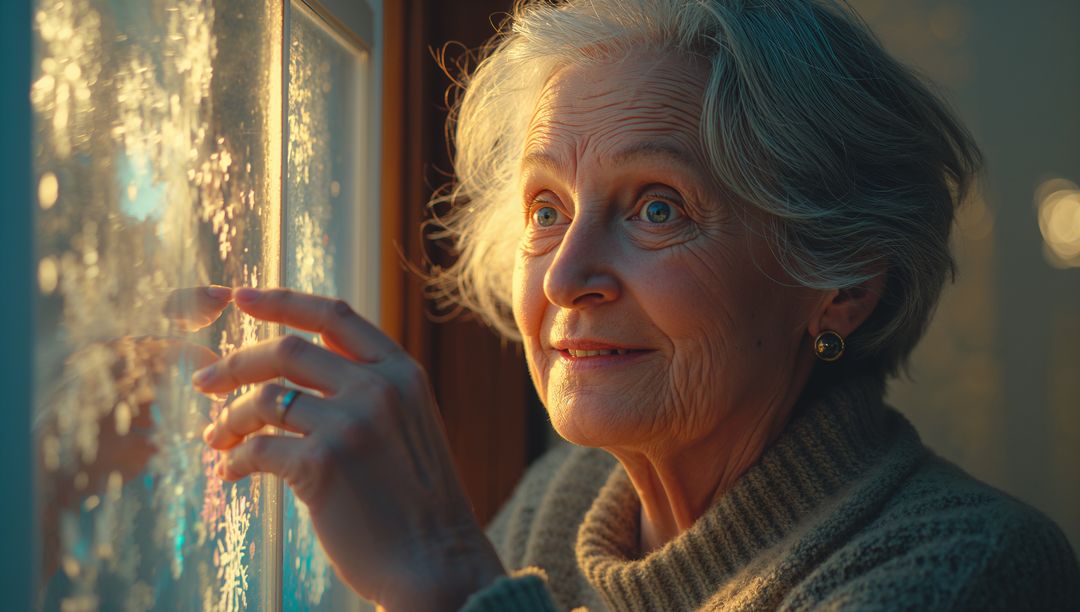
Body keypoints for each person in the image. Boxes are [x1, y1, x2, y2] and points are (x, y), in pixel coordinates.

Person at [196, 0, 1080, 609]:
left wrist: (454, 582)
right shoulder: (569, 498)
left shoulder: (972, 568)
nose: (564, 274)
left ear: (843, 285)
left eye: (658, 207)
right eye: (546, 210)